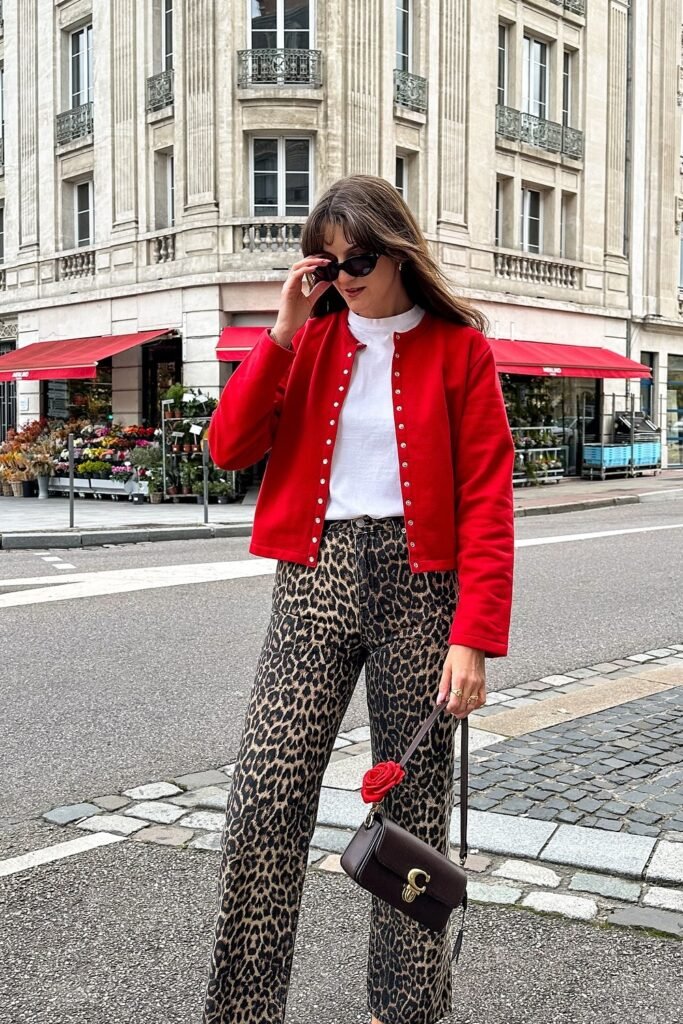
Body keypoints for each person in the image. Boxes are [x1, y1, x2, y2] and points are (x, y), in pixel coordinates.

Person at [202, 174, 515, 1024]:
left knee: (409, 817)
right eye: (328, 260)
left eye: (361, 258)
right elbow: (229, 449)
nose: (344, 274)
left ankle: (405, 1008)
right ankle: (243, 1011)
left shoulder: (460, 350)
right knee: (264, 795)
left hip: (421, 588)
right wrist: (278, 332)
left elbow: (488, 498)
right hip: (313, 577)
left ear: (397, 251)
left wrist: (474, 635)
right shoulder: (308, 342)